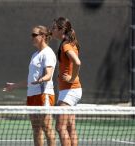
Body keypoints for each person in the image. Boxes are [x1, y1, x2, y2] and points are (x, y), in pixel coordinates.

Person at [3, 26, 56, 146]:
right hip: (31, 95)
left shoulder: (48, 53)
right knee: (36, 129)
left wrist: (41, 80)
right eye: (31, 35)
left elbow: (49, 75)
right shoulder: (35, 55)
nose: (31, 37)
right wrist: (14, 85)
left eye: (34, 35)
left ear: (42, 36)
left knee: (47, 127)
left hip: (43, 94)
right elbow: (30, 79)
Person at [51, 17, 82, 146]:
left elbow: (77, 62)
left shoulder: (66, 45)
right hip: (72, 90)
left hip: (69, 92)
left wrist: (72, 77)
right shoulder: (70, 43)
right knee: (70, 127)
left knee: (60, 127)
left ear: (61, 29)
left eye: (54, 28)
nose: (51, 30)